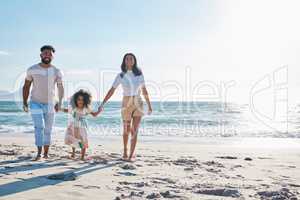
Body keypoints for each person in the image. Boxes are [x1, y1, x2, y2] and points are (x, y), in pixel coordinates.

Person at [98, 53, 152, 162]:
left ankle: (131, 155)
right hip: (126, 102)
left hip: (138, 102)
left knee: (135, 130)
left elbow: (144, 90)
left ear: (134, 61)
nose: (129, 60)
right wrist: (103, 103)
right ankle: (125, 152)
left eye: (131, 58)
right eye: (127, 59)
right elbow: (112, 90)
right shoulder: (121, 75)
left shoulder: (139, 73)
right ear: (124, 61)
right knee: (126, 130)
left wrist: (149, 105)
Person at [22, 45, 64, 161]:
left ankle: (46, 153)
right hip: (35, 102)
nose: (47, 55)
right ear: (41, 55)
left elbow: (60, 87)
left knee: (48, 129)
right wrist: (25, 102)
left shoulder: (57, 71)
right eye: (45, 53)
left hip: (51, 103)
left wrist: (60, 102)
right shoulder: (32, 69)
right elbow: (26, 86)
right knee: (39, 126)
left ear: (53, 56)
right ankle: (39, 153)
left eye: (50, 54)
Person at [61, 89, 101, 160]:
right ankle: (73, 153)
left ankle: (82, 156)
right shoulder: (74, 108)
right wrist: (59, 109)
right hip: (73, 126)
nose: (80, 101)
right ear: (76, 100)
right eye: (79, 99)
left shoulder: (86, 108)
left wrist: (99, 111)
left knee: (82, 140)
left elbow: (94, 114)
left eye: (82, 100)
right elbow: (66, 110)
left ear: (85, 100)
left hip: (82, 127)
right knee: (73, 139)